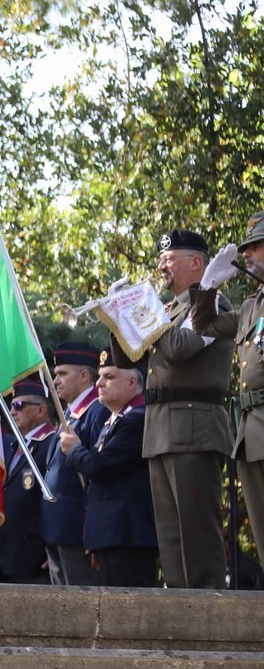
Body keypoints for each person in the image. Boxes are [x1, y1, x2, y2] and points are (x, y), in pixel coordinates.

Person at [111, 228, 233, 589]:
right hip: (161, 428)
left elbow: (181, 346)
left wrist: (147, 315)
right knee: (172, 540)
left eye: (169, 259)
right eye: (161, 259)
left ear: (196, 263)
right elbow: (127, 358)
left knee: (197, 539)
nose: (161, 266)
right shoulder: (169, 309)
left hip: (194, 427)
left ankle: (208, 625)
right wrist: (119, 315)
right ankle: (182, 621)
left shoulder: (212, 305)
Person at [191, 211, 264, 567]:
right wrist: (207, 288)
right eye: (246, 247)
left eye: (255, 246)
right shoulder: (251, 308)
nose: (246, 254)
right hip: (251, 431)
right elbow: (203, 325)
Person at [60, 358, 158, 587]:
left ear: (132, 381)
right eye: (100, 377)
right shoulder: (116, 418)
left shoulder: (137, 417)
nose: (99, 384)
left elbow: (99, 466)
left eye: (110, 377)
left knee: (129, 613)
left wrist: (74, 450)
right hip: (111, 536)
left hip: (128, 537)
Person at [41, 341, 110, 586]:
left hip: (78, 532)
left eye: (62, 374)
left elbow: (97, 472)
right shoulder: (70, 413)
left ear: (83, 376)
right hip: (59, 530)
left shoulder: (96, 411)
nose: (55, 380)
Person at [0, 378, 55, 584]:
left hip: (36, 559)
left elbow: (55, 500)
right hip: (9, 556)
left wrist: (53, 547)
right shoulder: (17, 447)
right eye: (11, 406)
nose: (12, 412)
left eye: (19, 406)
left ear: (40, 410)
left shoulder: (50, 444)